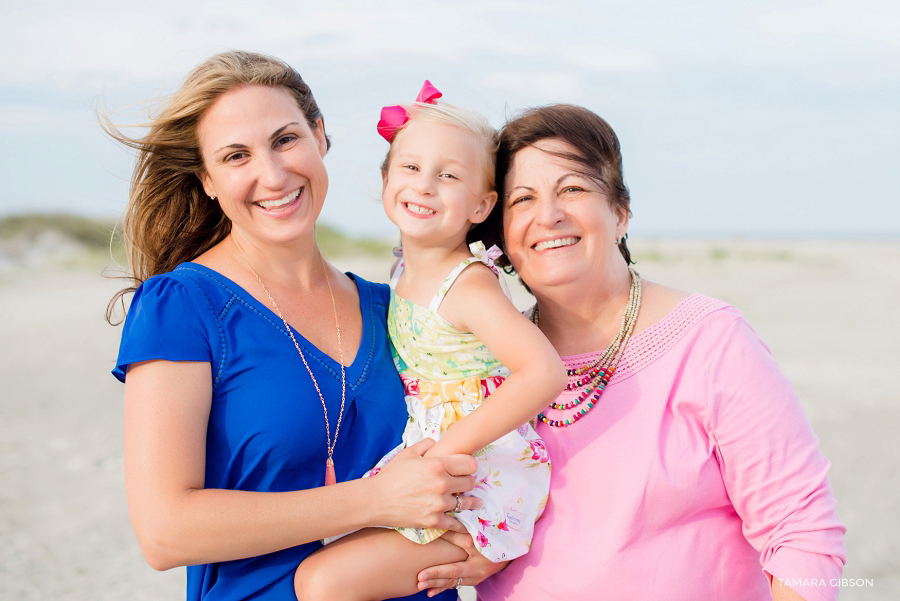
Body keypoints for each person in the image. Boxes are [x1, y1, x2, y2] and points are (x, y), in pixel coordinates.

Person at [417, 104, 847, 601]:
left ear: (619, 212)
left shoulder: (711, 342)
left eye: (572, 189)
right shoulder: (482, 362)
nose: (548, 215)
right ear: (500, 236)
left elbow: (802, 530)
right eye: (522, 199)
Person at [107, 51, 484, 601]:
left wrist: (485, 551)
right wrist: (376, 499)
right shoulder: (183, 306)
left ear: (319, 136)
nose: (274, 174)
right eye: (236, 156)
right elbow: (165, 532)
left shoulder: (392, 308)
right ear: (207, 180)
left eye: (285, 140)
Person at [293, 83, 565, 601]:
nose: (425, 186)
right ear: (386, 178)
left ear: (482, 204)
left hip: (476, 473)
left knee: (323, 581)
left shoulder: (467, 284)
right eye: (411, 168)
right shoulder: (404, 268)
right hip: (433, 461)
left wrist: (445, 453)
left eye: (449, 176)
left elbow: (543, 372)